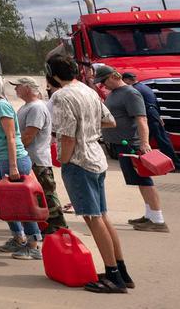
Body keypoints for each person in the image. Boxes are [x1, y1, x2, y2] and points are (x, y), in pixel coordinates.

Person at [48, 56, 133, 293]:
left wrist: (63, 160)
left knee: (93, 218)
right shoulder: (88, 91)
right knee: (102, 216)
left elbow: (67, 136)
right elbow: (109, 121)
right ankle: (121, 271)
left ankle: (113, 275)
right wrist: (89, 127)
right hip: (96, 157)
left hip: (79, 161)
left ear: (53, 74)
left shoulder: (63, 96)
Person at [0, 72, 42, 259]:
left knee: (22, 204)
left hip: (14, 161)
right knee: (8, 203)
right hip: (3, 160)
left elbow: (11, 137)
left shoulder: (2, 106)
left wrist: (13, 166)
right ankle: (18, 237)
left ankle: (33, 244)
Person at [98, 67, 168, 232]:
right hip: (124, 144)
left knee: (144, 180)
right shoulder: (117, 93)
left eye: (103, 81)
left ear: (114, 76)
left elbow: (141, 119)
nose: (103, 85)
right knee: (139, 181)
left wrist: (144, 143)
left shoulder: (130, 93)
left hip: (132, 144)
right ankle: (150, 215)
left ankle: (158, 220)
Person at [12, 76, 67, 233]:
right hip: (31, 159)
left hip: (37, 160)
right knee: (37, 196)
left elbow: (29, 135)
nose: (15, 89)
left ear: (27, 88)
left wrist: (14, 151)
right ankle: (45, 226)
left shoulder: (36, 108)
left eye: (18, 86)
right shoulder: (27, 106)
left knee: (46, 194)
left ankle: (58, 228)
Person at [122, 71, 178, 168]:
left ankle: (173, 163)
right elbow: (155, 101)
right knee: (158, 139)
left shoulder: (134, 90)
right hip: (154, 113)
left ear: (127, 80)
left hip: (149, 115)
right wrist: (158, 116)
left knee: (159, 140)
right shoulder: (145, 87)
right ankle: (145, 160)